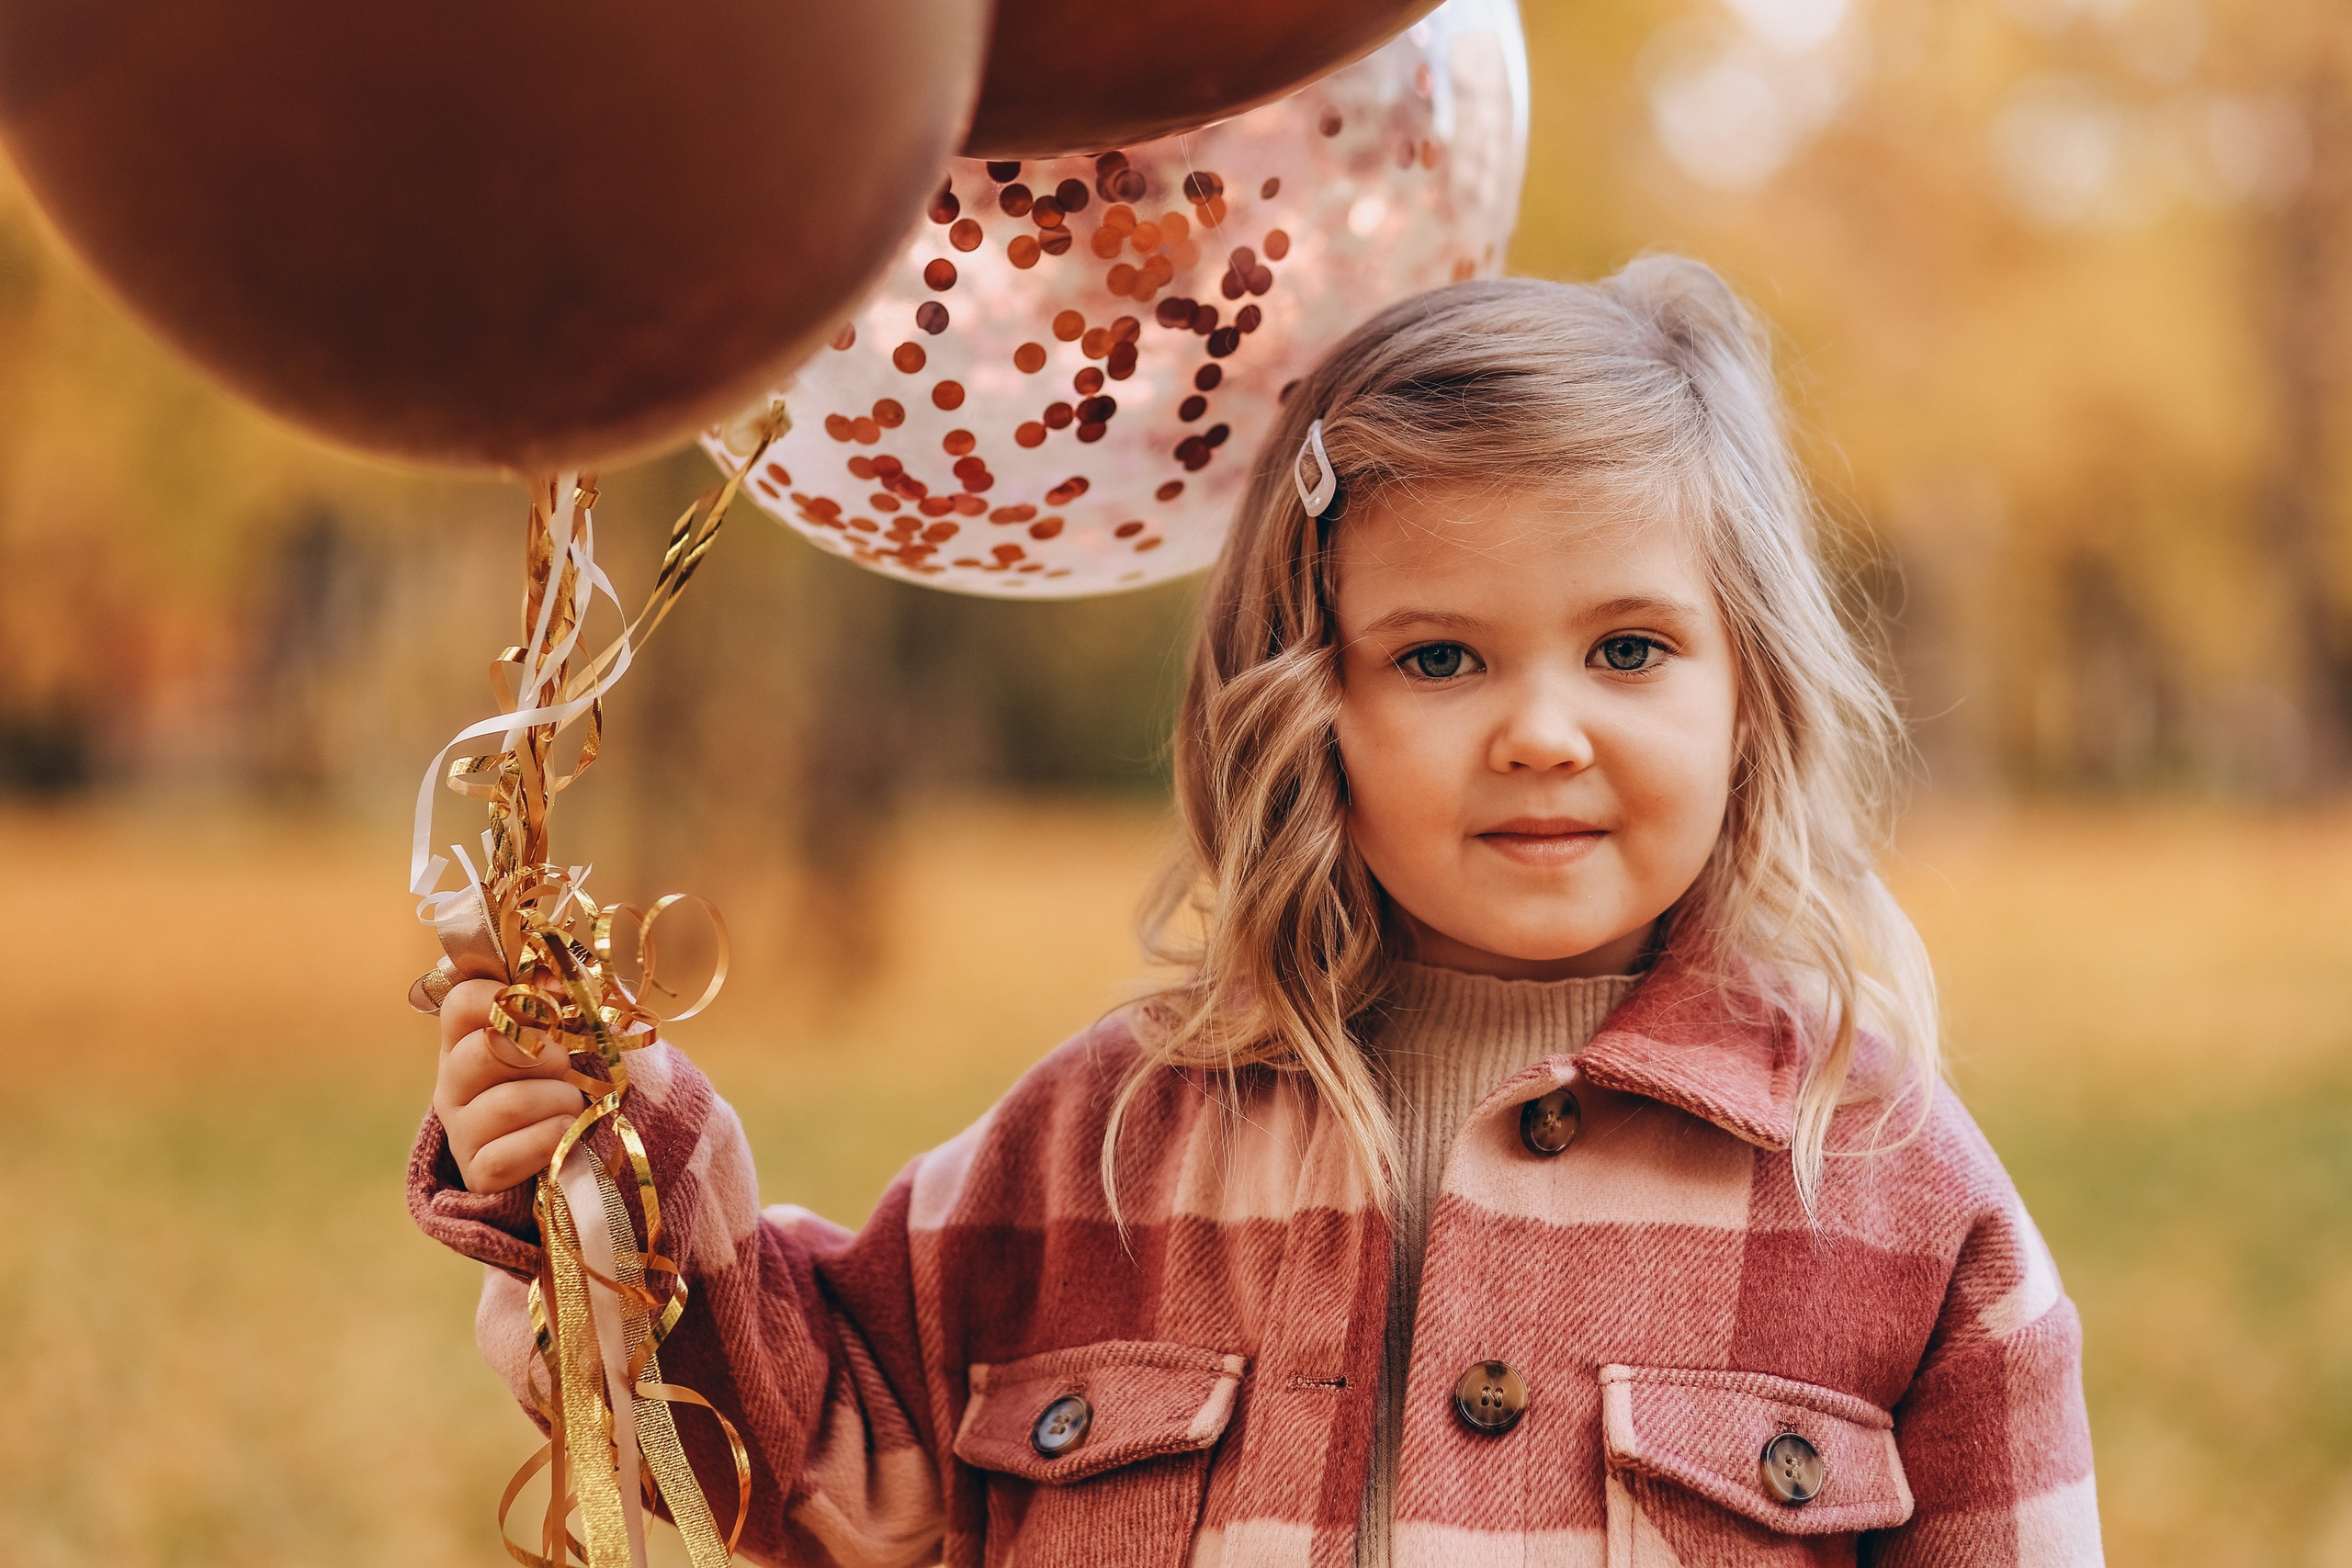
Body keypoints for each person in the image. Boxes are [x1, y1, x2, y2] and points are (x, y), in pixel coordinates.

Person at [412, 258, 2100, 1566]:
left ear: (1752, 693)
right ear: (1310, 704)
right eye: (1439, 656)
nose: (1542, 728)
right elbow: (821, 1449)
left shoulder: (1892, 1196)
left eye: (1631, 649)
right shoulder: (1112, 1144)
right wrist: (608, 1177)